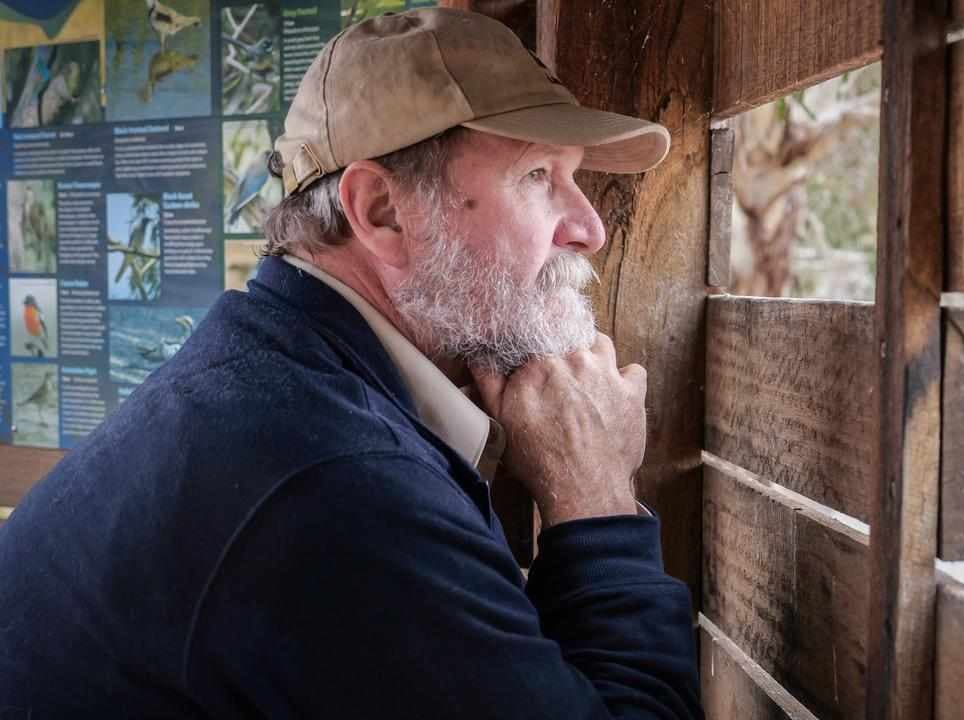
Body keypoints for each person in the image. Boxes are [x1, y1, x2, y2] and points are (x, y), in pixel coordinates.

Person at [0, 9, 701, 718]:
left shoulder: (275, 373)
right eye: (538, 175)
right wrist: (597, 499)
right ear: (381, 212)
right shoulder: (334, 478)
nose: (590, 228)